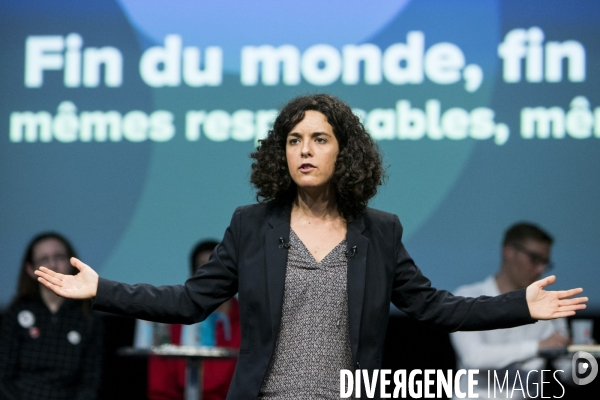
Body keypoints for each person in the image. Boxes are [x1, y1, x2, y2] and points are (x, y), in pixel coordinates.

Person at [35, 94, 587, 399]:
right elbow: (188, 302)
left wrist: (521, 306)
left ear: (342, 152)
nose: (304, 150)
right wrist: (99, 289)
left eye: (319, 139)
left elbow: (435, 306)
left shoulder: (380, 230)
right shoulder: (252, 225)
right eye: (293, 140)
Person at [450, 223, 571, 399]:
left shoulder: (550, 306)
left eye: (545, 262)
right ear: (508, 252)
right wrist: (538, 347)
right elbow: (474, 357)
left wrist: (586, 359)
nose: (540, 269)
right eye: (534, 258)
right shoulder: (467, 298)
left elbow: (568, 372)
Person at [0, 232, 103, 400]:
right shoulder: (17, 312)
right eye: (44, 260)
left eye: (60, 257)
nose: (53, 265)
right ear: (30, 270)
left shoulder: (87, 317)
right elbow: (3, 377)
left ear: (72, 263)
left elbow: (90, 382)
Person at [134, 240, 241, 400]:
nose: (213, 276)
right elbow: (160, 390)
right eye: (204, 268)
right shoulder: (172, 321)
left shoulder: (252, 322)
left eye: (220, 267)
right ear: (193, 277)